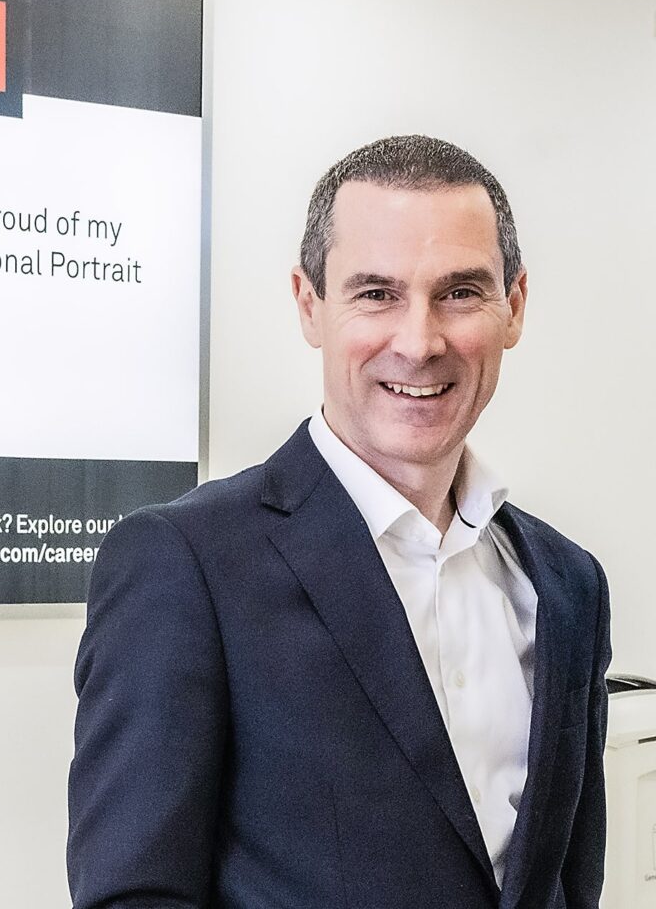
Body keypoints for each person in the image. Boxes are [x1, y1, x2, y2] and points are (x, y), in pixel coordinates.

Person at [68, 135, 609, 908]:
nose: (419, 343)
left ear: (514, 305)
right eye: (377, 293)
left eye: (460, 292)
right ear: (309, 304)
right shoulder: (185, 565)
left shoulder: (569, 585)